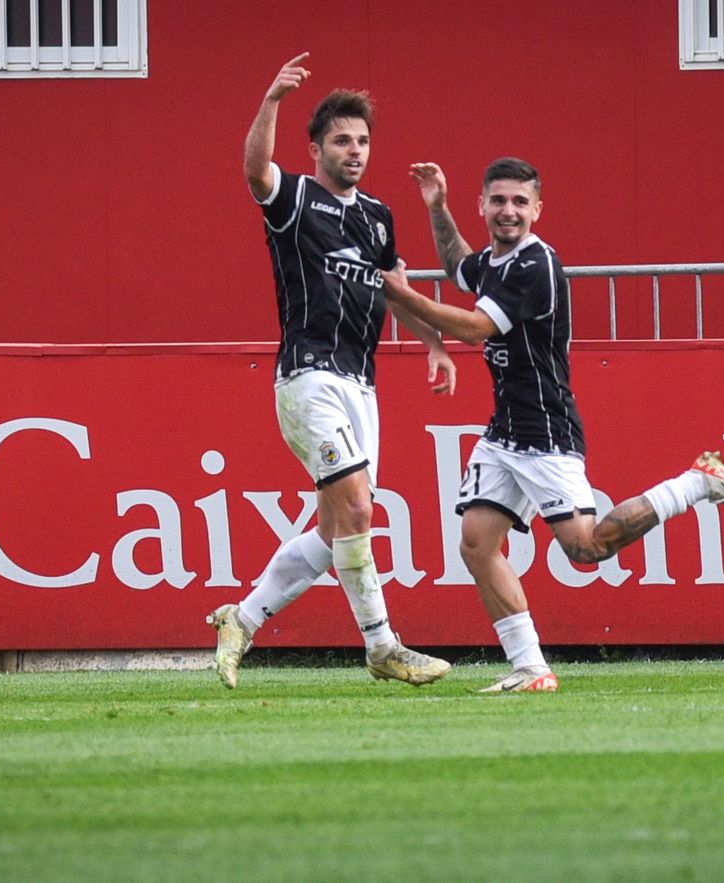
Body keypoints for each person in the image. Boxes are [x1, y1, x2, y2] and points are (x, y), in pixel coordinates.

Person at [382, 158, 724, 693]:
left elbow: (474, 328)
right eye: (498, 200)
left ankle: (699, 481)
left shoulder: (535, 265)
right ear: (483, 206)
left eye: (519, 201)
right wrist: (438, 207)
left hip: (545, 430)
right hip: (504, 433)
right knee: (476, 545)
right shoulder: (495, 261)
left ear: (538, 208)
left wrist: (399, 292)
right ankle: (532, 668)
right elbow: (458, 265)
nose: (508, 211)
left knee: (586, 549)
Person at [207, 53, 457, 689]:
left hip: (360, 384)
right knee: (357, 512)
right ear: (315, 146)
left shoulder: (376, 216)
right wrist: (271, 98)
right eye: (343, 140)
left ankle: (243, 617)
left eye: (364, 140)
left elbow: (395, 289)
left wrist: (434, 342)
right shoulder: (293, 198)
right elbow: (252, 169)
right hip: (308, 376)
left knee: (338, 528)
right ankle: (382, 645)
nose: (356, 150)